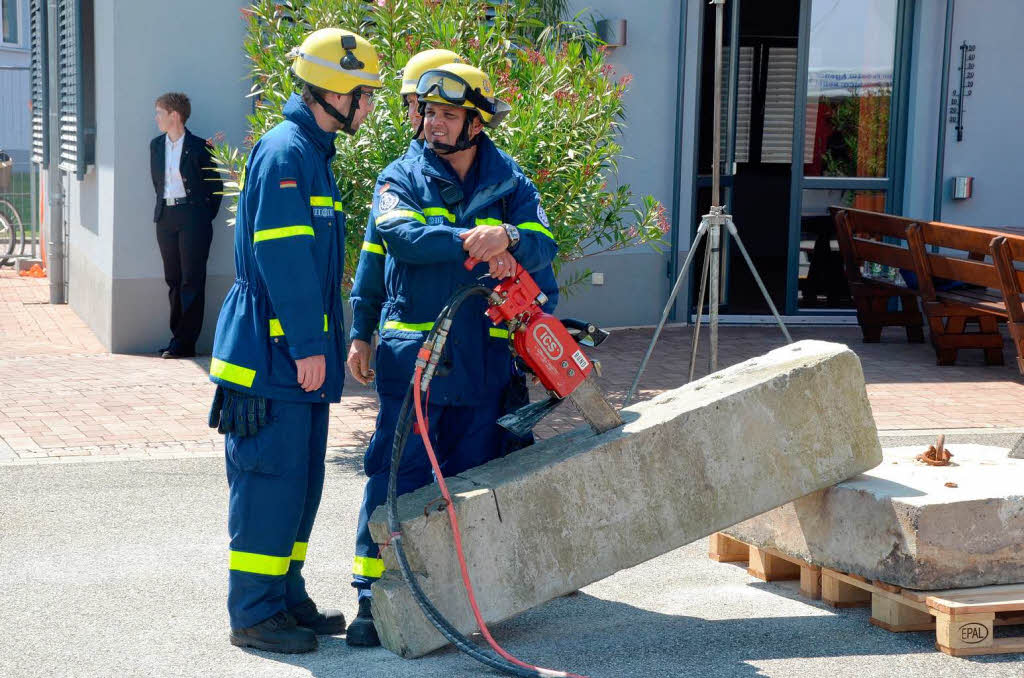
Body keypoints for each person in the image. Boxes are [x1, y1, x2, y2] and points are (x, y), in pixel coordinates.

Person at [345, 62, 559, 647]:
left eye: (447, 114)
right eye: (428, 112)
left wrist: (512, 238)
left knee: (475, 477)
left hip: (486, 369)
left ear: (475, 122)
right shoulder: (400, 177)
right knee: (398, 476)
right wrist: (361, 331)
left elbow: (544, 246)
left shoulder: (510, 181)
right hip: (415, 362)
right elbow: (395, 242)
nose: (433, 124)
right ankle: (373, 596)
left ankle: (465, 596)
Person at [206, 27, 381, 654]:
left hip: (291, 355)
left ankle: (285, 597)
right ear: (333, 92)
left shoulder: (309, 152)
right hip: (272, 357)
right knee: (270, 481)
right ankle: (253, 614)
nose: (368, 107)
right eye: (363, 95)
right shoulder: (287, 154)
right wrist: (309, 347)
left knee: (300, 483)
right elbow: (284, 262)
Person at [150, 92, 223, 359]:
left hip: (193, 217)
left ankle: (185, 342)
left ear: (174, 116)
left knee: (192, 280)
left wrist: (202, 217)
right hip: (165, 217)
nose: (156, 118)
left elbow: (216, 189)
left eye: (159, 113)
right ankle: (177, 339)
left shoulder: (201, 147)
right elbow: (158, 184)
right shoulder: (155, 146)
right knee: (174, 279)